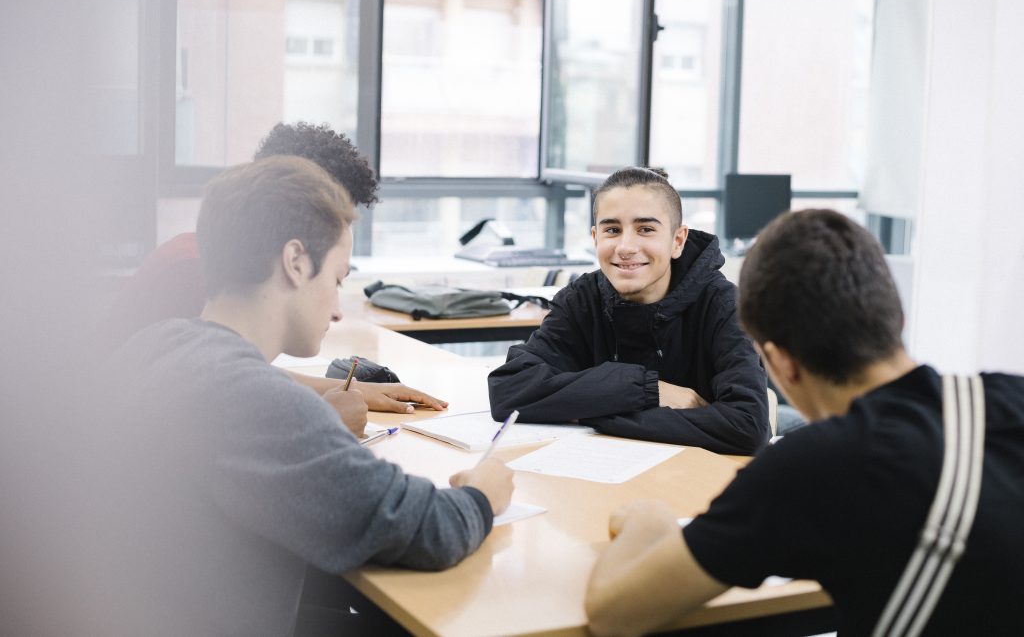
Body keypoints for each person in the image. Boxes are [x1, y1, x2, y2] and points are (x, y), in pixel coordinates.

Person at [96, 156, 514, 636]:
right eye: (336, 280)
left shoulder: (155, 344)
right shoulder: (251, 399)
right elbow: (426, 528)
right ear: (295, 262)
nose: (337, 310)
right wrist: (483, 492)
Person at [584, 209, 1024, 636]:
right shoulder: (1011, 398)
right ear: (896, 318)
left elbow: (613, 613)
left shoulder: (813, 468)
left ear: (778, 362)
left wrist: (649, 521)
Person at [103, 122, 446, 431]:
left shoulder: (211, 255)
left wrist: (356, 390)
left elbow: (239, 374)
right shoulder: (196, 272)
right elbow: (210, 404)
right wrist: (324, 421)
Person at [488, 167, 769, 455]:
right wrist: (648, 390)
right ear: (596, 237)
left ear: (677, 241)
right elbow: (508, 389)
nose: (625, 246)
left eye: (645, 229)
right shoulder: (582, 298)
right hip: (601, 473)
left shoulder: (723, 305)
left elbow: (747, 426)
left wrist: (588, 412)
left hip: (694, 483)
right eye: (612, 230)